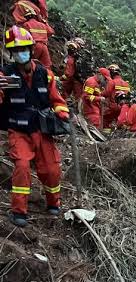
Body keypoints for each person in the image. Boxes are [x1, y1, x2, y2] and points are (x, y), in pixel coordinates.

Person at [0, 26, 69, 227]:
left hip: (43, 130)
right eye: (16, 50)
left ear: (31, 49)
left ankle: (53, 202)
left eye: (24, 49)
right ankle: (18, 211)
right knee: (22, 166)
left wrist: (61, 112)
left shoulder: (45, 75)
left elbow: (57, 100)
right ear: (12, 54)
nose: (20, 53)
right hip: (19, 131)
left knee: (51, 169)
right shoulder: (5, 76)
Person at [103, 64, 130, 131]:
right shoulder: (126, 84)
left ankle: (106, 135)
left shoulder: (112, 82)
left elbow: (106, 93)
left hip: (113, 106)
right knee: (119, 122)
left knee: (106, 120)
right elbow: (127, 95)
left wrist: (98, 93)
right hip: (122, 107)